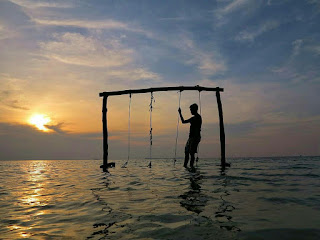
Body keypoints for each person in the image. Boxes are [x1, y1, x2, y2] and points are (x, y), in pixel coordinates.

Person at [178, 103, 202, 168]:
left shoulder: (198, 117)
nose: (190, 111)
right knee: (186, 151)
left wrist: (195, 139)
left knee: (191, 153)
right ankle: (185, 166)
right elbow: (183, 121)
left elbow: (197, 128)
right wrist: (180, 113)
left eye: (191, 110)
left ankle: (191, 166)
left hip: (195, 137)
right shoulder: (193, 118)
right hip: (191, 138)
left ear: (195, 110)